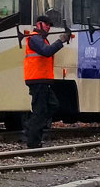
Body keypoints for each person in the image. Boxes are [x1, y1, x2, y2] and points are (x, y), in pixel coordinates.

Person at [23, 15, 71, 149]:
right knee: (40, 111)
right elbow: (46, 52)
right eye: (46, 24)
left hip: (42, 80)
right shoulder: (34, 38)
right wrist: (61, 40)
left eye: (50, 25)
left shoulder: (41, 39)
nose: (49, 27)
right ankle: (33, 141)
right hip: (37, 80)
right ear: (39, 24)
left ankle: (30, 127)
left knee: (52, 105)